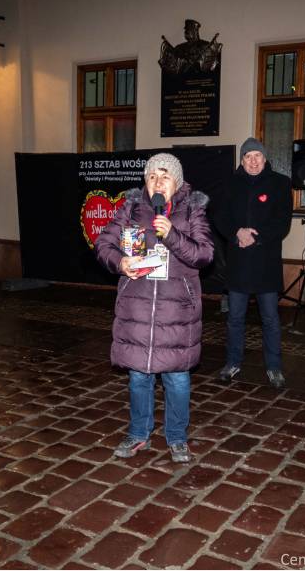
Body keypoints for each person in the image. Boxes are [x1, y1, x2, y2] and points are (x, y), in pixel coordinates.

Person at [95, 153, 214, 462]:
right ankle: (138, 434)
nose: (158, 182)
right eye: (152, 176)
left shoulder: (193, 210)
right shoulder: (131, 208)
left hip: (177, 313)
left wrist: (172, 235)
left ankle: (176, 437)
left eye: (165, 176)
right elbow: (103, 245)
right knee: (138, 377)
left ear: (177, 182)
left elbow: (203, 255)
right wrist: (121, 262)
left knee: (177, 378)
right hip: (137, 309)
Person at [215, 138, 293, 389]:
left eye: (257, 156)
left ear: (265, 158)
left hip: (265, 263)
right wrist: (236, 232)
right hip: (238, 262)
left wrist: (255, 236)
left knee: (270, 318)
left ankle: (274, 367)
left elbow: (282, 222)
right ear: (242, 160)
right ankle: (233, 362)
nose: (253, 161)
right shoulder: (229, 183)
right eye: (248, 156)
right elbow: (219, 215)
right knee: (235, 318)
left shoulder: (281, 184)